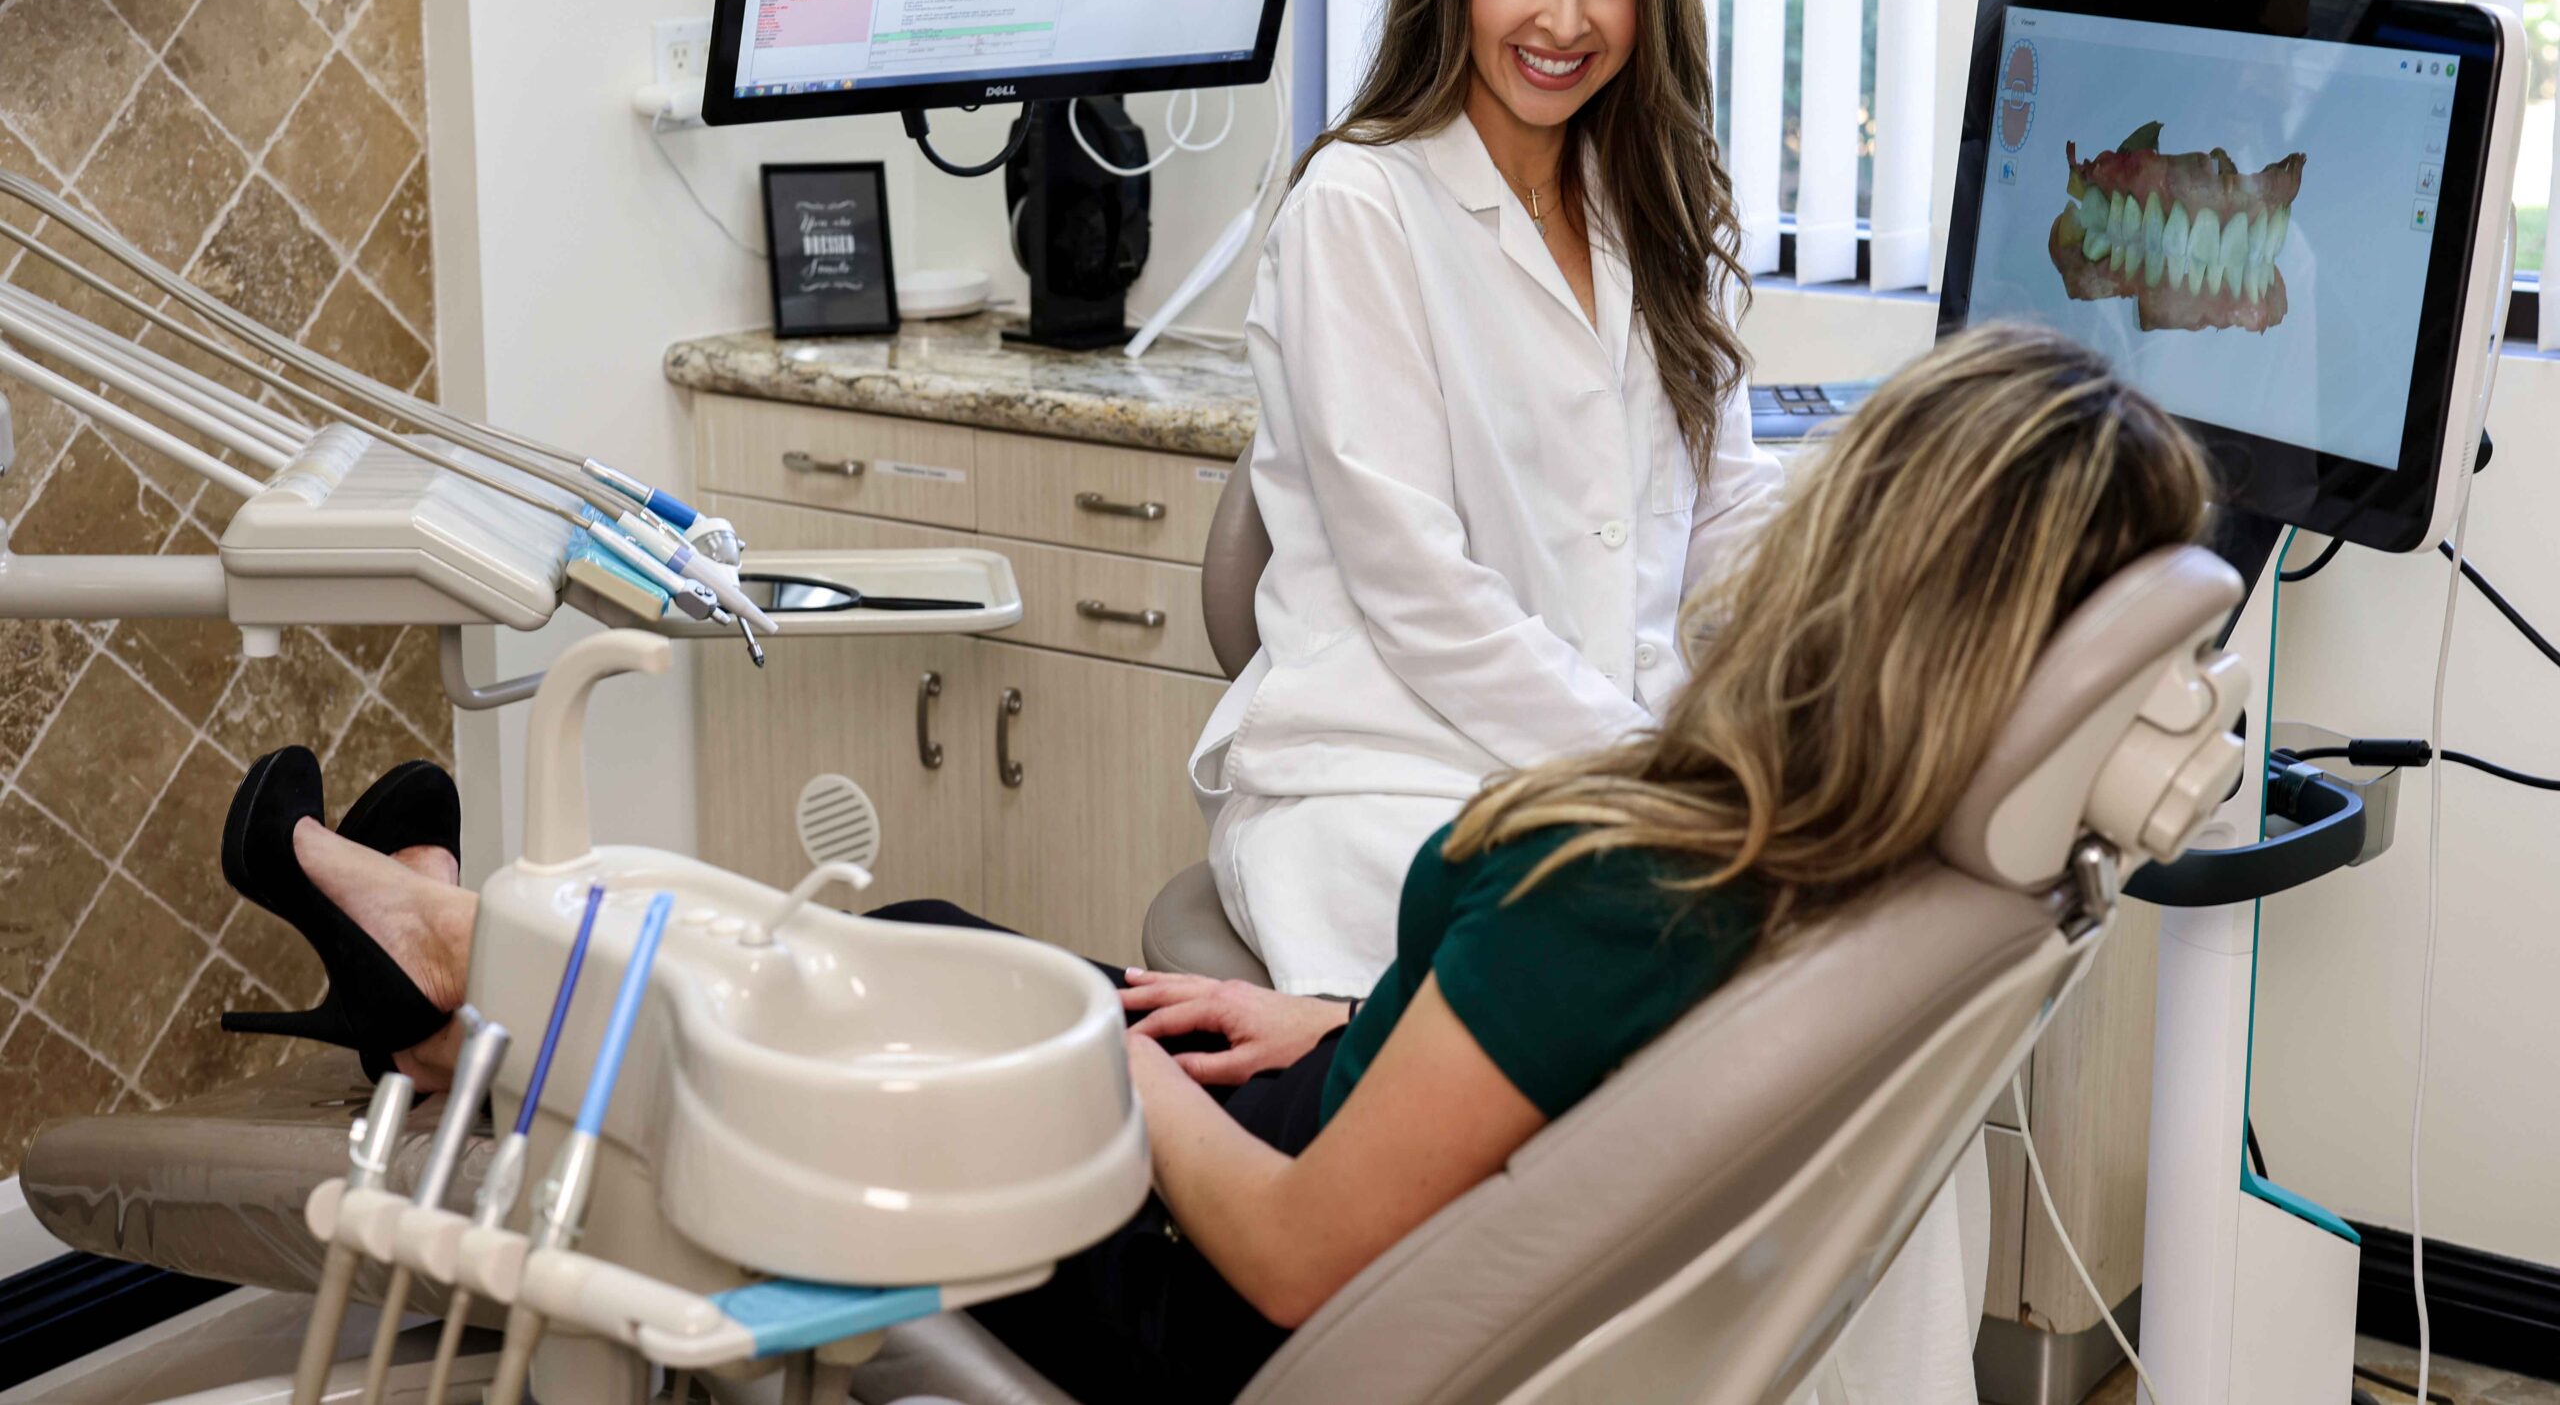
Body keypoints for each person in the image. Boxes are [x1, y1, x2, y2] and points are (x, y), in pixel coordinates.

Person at [222, 325, 2214, 1405]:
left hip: (1232, 1298)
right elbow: (1584, 1095)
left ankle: (440, 968)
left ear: (1858, 565)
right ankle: (447, 971)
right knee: (909, 944)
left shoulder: (1631, 875)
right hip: (1338, 1158)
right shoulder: (1866, 884)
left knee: (801, 1029)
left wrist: (1111, 1071)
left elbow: (1297, 1257)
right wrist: (1351, 1024)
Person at [1194, 0, 1784, 1002]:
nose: (1565, 21)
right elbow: (1418, 587)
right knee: (1654, 974)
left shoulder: (1650, 200)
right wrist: (1648, 767)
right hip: (1389, 771)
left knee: (1825, 947)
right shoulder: (1359, 207)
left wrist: (1815, 670)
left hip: (1615, 761)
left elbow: (1724, 508)